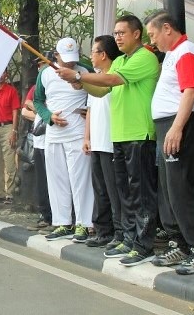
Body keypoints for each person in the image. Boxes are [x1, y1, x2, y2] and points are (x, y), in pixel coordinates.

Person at [58, 15, 159, 266]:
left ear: (137, 34)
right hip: (120, 135)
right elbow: (102, 90)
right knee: (124, 192)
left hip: (140, 134)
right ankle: (128, 237)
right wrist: (78, 82)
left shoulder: (144, 57)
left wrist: (79, 77)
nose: (118, 37)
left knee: (141, 193)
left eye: (122, 32)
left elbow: (112, 80)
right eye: (115, 33)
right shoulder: (122, 60)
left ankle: (144, 245)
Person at [144, 11, 194, 275]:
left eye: (153, 35)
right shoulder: (174, 53)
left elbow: (191, 90)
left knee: (180, 188)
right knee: (168, 188)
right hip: (168, 124)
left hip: (178, 123)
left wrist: (176, 127)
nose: (153, 41)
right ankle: (180, 243)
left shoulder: (186, 50)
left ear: (167, 29)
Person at [33, 38, 91, 242]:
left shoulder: (84, 71)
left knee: (81, 180)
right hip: (54, 135)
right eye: (65, 59)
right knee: (57, 179)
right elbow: (38, 101)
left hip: (78, 134)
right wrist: (49, 117)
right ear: (56, 55)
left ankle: (84, 224)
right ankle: (62, 223)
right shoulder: (45, 73)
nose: (69, 63)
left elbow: (98, 95)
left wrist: (88, 109)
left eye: (72, 59)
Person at [83, 35, 124, 249]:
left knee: (114, 190)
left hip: (111, 142)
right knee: (99, 189)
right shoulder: (96, 78)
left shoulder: (114, 78)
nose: (91, 56)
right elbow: (90, 109)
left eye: (93, 51)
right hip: (97, 142)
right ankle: (103, 230)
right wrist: (87, 136)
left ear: (104, 54)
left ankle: (119, 232)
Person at [21, 55, 52, 231]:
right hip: (40, 140)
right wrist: (42, 116)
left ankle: (59, 217)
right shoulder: (36, 86)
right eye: (40, 65)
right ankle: (44, 214)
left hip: (56, 139)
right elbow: (26, 108)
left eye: (44, 64)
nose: (41, 68)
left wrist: (42, 114)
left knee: (56, 180)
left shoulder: (59, 82)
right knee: (42, 180)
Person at [0, 68, 21, 204]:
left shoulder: (11, 90)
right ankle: (0, 193)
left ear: (6, 74)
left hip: (7, 127)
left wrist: (14, 131)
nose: (0, 75)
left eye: (3, 73)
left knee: (10, 162)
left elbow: (15, 112)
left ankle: (10, 193)